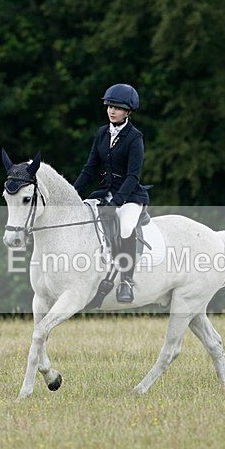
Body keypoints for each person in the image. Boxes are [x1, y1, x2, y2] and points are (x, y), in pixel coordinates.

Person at [74, 83, 150, 303]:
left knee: (125, 227)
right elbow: (90, 169)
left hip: (130, 195)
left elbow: (133, 176)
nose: (111, 110)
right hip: (106, 192)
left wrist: (116, 202)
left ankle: (126, 281)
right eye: (109, 106)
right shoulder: (102, 133)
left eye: (117, 107)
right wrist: (72, 193)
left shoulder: (135, 137)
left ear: (128, 111)